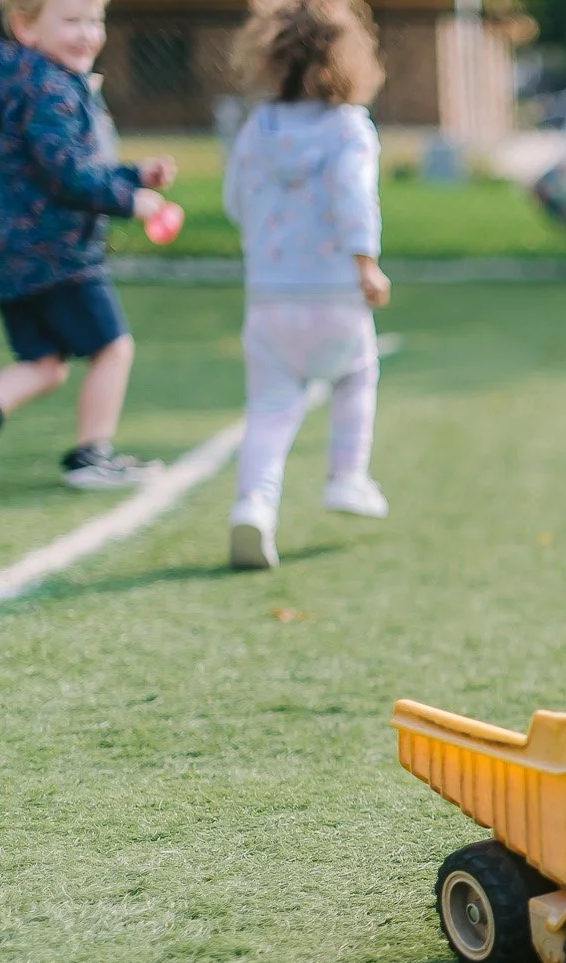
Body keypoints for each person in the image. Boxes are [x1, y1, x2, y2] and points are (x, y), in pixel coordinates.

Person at [0, 0, 174, 492]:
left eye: (95, 21)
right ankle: (92, 456)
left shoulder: (33, 83)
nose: (87, 34)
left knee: (44, 365)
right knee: (113, 348)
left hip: (13, 254)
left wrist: (133, 173)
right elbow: (66, 173)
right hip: (55, 253)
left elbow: (66, 163)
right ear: (25, 27)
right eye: (71, 22)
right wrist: (131, 199)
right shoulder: (50, 88)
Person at [220, 0, 391, 571]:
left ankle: (253, 505)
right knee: (357, 373)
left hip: (269, 294)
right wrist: (365, 262)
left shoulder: (257, 127)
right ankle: (346, 475)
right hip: (334, 292)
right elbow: (352, 194)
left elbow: (235, 200)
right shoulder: (348, 127)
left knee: (268, 408)